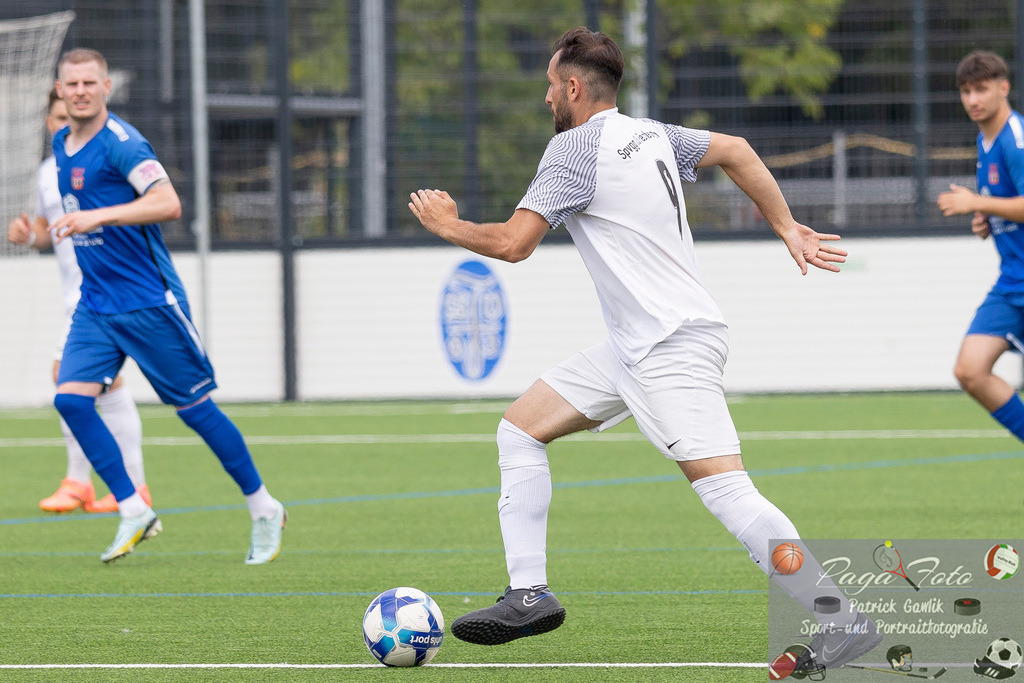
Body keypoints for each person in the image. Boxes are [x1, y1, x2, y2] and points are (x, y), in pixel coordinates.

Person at [409, 26, 879, 671]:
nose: (547, 98)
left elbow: (513, 244)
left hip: (668, 348)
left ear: (573, 87)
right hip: (639, 346)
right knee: (519, 431)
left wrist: (446, 225)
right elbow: (737, 148)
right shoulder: (656, 134)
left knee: (727, 490)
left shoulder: (572, 151)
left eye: (551, 86)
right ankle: (529, 594)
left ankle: (840, 618)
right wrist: (785, 227)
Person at [48, 48, 286, 564]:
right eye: (73, 84)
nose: (81, 91)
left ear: (106, 87)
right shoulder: (62, 144)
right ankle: (134, 509)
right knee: (69, 400)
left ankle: (263, 506)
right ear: (61, 90)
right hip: (97, 305)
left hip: (149, 302)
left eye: (91, 82)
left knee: (196, 412)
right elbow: (75, 221)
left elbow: (168, 203)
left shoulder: (123, 144)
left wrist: (100, 218)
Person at [8, 88, 151, 515]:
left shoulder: (107, 159)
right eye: (55, 118)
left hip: (106, 289)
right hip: (77, 294)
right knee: (98, 385)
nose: (63, 124)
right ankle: (124, 486)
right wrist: (28, 236)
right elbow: (46, 232)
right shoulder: (47, 172)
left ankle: (83, 482)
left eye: (67, 117)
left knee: (68, 378)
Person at [939, 51, 1024, 443]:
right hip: (1012, 284)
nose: (973, 99)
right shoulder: (984, 139)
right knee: (970, 370)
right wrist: (986, 219)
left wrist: (976, 203)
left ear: (1003, 88)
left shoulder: (1016, 139)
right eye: (966, 91)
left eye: (982, 89)